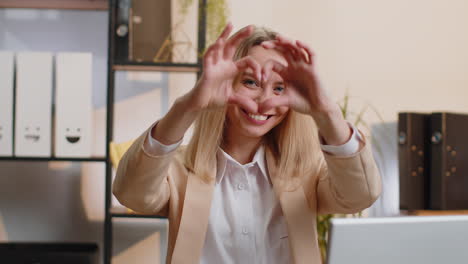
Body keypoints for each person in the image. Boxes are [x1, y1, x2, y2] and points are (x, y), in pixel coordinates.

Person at [113, 23, 382, 264]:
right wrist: (187, 106)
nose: (264, 100)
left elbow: (360, 195)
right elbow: (132, 194)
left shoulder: (308, 170)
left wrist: (327, 112)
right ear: (224, 82)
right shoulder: (180, 169)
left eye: (279, 88)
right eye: (251, 82)